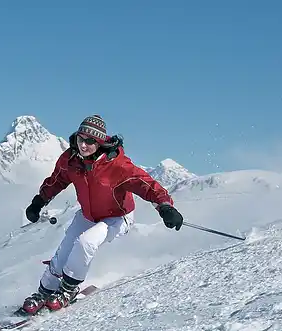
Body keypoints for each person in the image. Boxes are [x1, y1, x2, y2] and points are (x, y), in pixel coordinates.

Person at [22, 114, 183, 315]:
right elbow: (57, 180)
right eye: (81, 138)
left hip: (117, 217)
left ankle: (68, 289)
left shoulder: (118, 166)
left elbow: (147, 185)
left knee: (86, 242)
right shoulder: (71, 159)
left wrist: (165, 207)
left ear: (99, 142)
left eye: (90, 141)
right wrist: (38, 202)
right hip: (88, 215)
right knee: (64, 251)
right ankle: (45, 291)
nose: (83, 145)